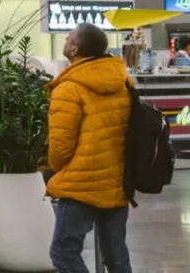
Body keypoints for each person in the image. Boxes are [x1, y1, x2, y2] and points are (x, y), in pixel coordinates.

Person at [46, 23, 133, 273]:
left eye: (69, 37)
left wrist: (54, 170)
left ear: (74, 49)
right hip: (117, 179)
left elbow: (61, 147)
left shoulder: (69, 87)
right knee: (115, 254)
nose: (65, 38)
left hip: (81, 183)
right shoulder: (123, 81)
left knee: (63, 251)